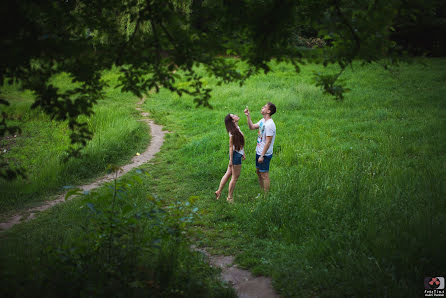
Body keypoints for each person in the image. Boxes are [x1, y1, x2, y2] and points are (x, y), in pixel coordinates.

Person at [244, 102, 276, 193]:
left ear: (268, 111)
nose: (262, 107)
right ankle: (262, 192)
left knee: (264, 175)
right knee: (259, 172)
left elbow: (268, 142)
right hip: (259, 151)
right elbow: (252, 127)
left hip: (264, 154)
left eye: (265, 107)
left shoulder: (270, 124)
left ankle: (266, 197)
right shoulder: (263, 121)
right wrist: (248, 116)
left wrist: (262, 156)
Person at [215, 113, 246, 203]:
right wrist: (231, 160)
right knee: (235, 177)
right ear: (233, 121)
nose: (236, 115)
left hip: (237, 154)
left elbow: (239, 143)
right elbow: (230, 147)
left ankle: (218, 191)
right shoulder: (232, 133)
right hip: (235, 156)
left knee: (228, 173)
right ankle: (229, 197)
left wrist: (243, 152)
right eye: (234, 116)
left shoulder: (236, 128)